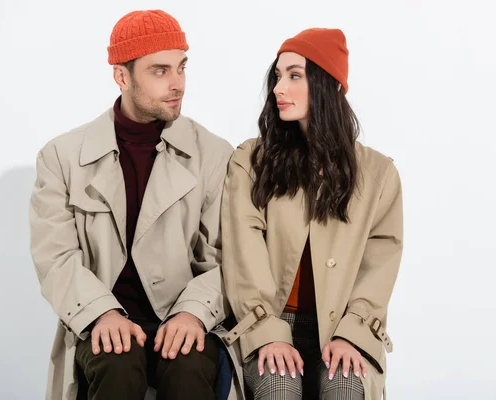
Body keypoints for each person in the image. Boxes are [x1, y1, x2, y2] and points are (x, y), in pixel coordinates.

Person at [29, 9, 243, 400]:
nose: (177, 83)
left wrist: (193, 311)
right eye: (159, 71)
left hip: (183, 314)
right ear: (122, 76)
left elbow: (229, 257)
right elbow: (55, 257)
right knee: (117, 362)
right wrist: (100, 313)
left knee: (189, 363)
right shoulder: (61, 156)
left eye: (181, 68)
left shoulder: (215, 154)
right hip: (104, 314)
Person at [221, 28, 403, 400]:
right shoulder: (251, 161)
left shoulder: (379, 173)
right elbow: (243, 253)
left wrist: (353, 334)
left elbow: (379, 264)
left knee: (346, 389)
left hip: (339, 328)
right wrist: (267, 332)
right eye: (277, 76)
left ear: (330, 85)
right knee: (279, 386)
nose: (278, 89)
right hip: (268, 322)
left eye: (294, 76)